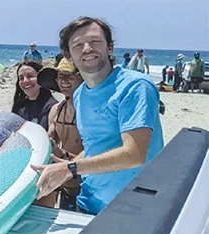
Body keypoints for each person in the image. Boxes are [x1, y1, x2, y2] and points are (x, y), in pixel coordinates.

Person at [32, 16, 164, 215]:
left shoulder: (135, 86)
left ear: (109, 48)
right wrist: (69, 165)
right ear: (69, 56)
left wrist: (72, 169)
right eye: (77, 45)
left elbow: (135, 154)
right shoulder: (79, 95)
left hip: (133, 210)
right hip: (88, 202)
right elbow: (96, 145)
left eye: (95, 42)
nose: (87, 49)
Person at [37, 57, 84, 210]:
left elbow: (97, 149)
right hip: (63, 184)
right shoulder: (56, 110)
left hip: (86, 185)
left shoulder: (87, 112)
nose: (63, 80)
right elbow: (49, 141)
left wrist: (64, 156)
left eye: (69, 75)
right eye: (60, 76)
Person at [11, 61, 57, 130]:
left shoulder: (51, 107)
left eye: (30, 76)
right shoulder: (20, 106)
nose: (25, 80)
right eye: (21, 78)